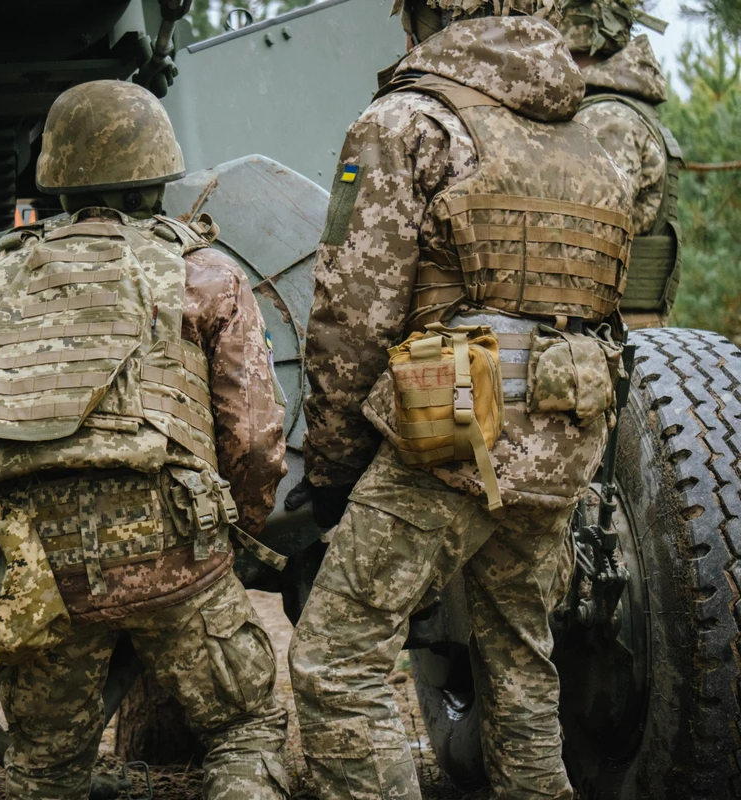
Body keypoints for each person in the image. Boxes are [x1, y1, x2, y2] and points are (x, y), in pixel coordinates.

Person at [287, 1, 633, 798]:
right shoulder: (591, 139)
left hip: (450, 432)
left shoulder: (405, 123)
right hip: (565, 431)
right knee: (521, 661)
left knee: (335, 660)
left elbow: (351, 314)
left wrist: (334, 469)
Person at [0, 79, 290, 800]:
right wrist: (233, 531)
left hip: (39, 558)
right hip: (172, 547)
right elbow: (252, 438)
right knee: (244, 732)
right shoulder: (204, 276)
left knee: (45, 771)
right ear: (158, 178)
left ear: (57, 182)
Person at [559, 0, 683, 328]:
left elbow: (594, 235)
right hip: (617, 326)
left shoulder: (605, 118)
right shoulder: (614, 109)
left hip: (609, 331)